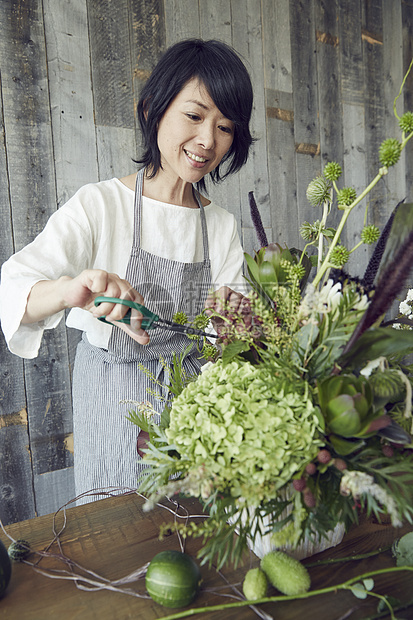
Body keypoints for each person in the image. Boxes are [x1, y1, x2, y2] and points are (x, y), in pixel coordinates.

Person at [0, 39, 254, 503]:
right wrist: (69, 289)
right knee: (113, 534)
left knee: (192, 536)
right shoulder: (100, 205)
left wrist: (238, 325)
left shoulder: (221, 226)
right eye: (195, 116)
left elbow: (231, 339)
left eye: (225, 127)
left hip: (194, 406)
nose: (207, 141)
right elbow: (15, 286)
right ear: (153, 110)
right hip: (113, 401)